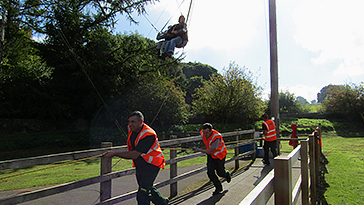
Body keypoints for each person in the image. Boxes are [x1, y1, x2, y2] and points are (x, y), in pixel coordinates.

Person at [103, 111, 168, 205]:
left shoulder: (149, 134)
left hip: (152, 165)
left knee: (143, 193)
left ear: (141, 121)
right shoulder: (131, 129)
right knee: (147, 187)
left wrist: (114, 153)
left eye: (133, 122)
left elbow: (134, 154)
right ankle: (163, 202)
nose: (130, 124)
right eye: (129, 122)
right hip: (140, 164)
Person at [193, 123, 231, 195]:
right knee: (210, 172)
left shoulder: (216, 137)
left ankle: (227, 174)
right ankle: (218, 188)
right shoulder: (203, 133)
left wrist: (199, 150)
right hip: (211, 155)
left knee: (220, 173)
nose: (205, 134)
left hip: (219, 155)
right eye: (204, 132)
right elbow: (208, 148)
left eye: (207, 132)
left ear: (211, 131)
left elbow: (211, 151)